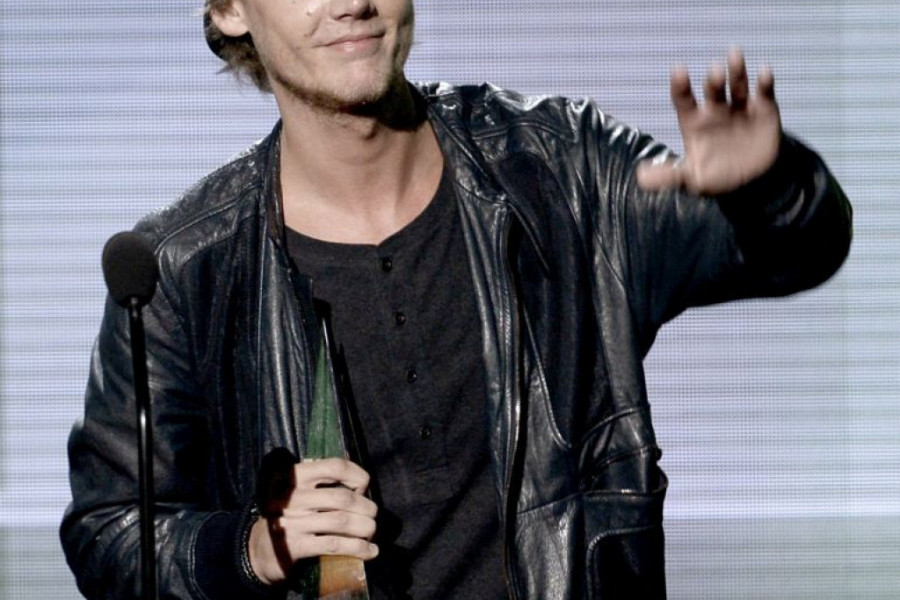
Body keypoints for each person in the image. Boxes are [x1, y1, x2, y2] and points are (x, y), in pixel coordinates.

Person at [60, 0, 852, 598]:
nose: (353, 3)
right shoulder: (183, 266)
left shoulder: (558, 167)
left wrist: (767, 188)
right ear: (230, 11)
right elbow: (111, 531)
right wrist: (252, 549)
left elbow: (796, 251)